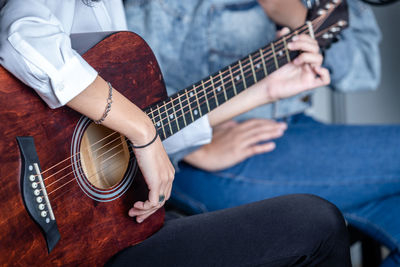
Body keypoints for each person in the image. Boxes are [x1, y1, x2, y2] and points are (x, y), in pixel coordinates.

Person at [0, 0, 352, 266]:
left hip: (94, 240)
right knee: (317, 223)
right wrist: (142, 132)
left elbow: (137, 134)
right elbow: (23, 38)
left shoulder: (112, 9)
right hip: (62, 245)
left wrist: (266, 90)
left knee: (315, 223)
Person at [124, 0, 400, 266]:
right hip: (206, 155)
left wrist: (297, 15)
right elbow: (130, 86)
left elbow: (364, 72)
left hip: (297, 131)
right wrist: (196, 148)